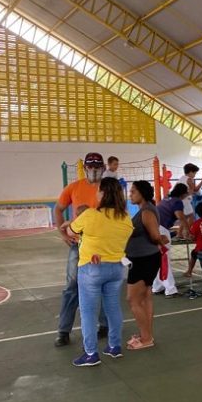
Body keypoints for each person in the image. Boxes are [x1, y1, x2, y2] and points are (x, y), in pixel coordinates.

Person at [67, 177, 134, 366]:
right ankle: (114, 346)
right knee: (113, 308)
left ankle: (90, 353)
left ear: (103, 193)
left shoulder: (90, 215)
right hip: (117, 269)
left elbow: (72, 231)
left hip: (91, 268)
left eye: (98, 190)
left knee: (88, 312)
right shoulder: (125, 218)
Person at [52, 152, 108, 347]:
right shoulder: (74, 187)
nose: (94, 170)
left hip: (102, 244)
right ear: (85, 168)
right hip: (78, 244)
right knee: (72, 287)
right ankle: (63, 330)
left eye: (97, 167)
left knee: (103, 285)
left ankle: (105, 325)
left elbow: (117, 215)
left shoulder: (110, 189)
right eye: (90, 167)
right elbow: (58, 208)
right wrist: (64, 234)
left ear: (104, 168)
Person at [125, 180, 165, 351]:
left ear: (142, 192)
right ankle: (146, 334)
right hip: (144, 257)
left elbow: (155, 235)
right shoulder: (145, 209)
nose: (130, 194)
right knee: (145, 296)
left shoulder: (147, 211)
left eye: (133, 191)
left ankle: (146, 338)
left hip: (144, 259)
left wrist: (162, 239)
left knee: (133, 300)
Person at [152, 225, 178, 297]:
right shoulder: (155, 225)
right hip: (156, 248)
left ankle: (165, 288)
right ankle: (164, 288)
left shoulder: (157, 226)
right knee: (160, 268)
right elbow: (165, 238)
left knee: (161, 269)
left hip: (158, 249)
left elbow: (165, 239)